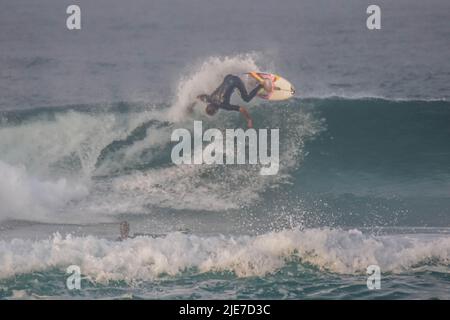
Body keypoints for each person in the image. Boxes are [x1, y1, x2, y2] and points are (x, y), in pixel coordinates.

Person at [194, 74, 265, 128]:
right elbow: (198, 97)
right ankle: (248, 83)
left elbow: (242, 109)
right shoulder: (209, 98)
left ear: (216, 110)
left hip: (236, 81)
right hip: (228, 77)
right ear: (208, 104)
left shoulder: (224, 105)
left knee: (246, 99)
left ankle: (261, 85)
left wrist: (249, 120)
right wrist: (191, 106)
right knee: (231, 87)